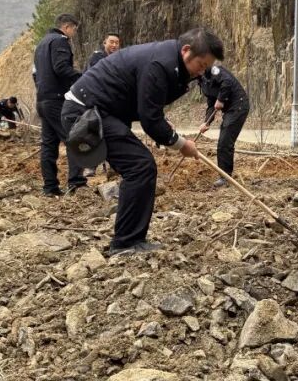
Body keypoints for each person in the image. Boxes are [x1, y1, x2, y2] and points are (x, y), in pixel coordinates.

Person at [62, 27, 222, 256]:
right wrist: (181, 144)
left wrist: (162, 123)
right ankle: (126, 242)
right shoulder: (160, 64)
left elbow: (148, 104)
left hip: (103, 110)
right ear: (186, 51)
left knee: (138, 166)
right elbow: (150, 121)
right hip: (86, 112)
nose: (201, 72)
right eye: (201, 65)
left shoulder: (170, 61)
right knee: (140, 166)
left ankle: (129, 238)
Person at [34, 14, 85, 196]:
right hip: (56, 99)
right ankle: (76, 184)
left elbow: (35, 74)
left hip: (42, 99)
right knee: (74, 139)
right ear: (67, 27)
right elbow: (61, 68)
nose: (74, 34)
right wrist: (82, 78)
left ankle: (50, 187)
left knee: (49, 144)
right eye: (74, 30)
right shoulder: (60, 41)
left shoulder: (41, 44)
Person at [197, 64, 249, 187]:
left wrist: (220, 99)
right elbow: (211, 104)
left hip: (238, 105)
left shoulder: (215, 70)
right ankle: (224, 176)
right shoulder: (202, 82)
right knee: (223, 142)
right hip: (229, 110)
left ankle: (225, 177)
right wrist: (206, 122)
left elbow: (227, 81)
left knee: (224, 141)